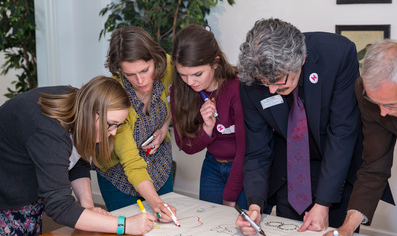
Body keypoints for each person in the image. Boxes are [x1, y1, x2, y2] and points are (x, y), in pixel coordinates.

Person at [235, 18, 367, 234]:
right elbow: (257, 150)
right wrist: (255, 205)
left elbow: (342, 133)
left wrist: (323, 203)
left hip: (338, 169)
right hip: (292, 172)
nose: (271, 90)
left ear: (301, 59)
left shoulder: (337, 54)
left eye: (278, 80)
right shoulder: (252, 79)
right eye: (265, 82)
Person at [0, 76, 156, 235]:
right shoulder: (49, 132)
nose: (113, 132)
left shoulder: (80, 104)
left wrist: (88, 206)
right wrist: (124, 225)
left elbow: (75, 161)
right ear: (92, 112)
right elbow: (59, 207)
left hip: (28, 191)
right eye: (110, 124)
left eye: (118, 125)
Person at [325, 28, 397, 236]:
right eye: (376, 103)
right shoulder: (370, 94)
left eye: (391, 105)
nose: (383, 113)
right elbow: (374, 166)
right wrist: (346, 228)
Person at [96, 26, 176, 219]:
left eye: (145, 70)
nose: (140, 80)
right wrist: (156, 202)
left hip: (159, 163)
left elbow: (178, 100)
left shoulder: (168, 66)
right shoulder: (117, 97)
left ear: (155, 60)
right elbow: (131, 162)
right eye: (130, 74)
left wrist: (165, 127)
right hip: (119, 174)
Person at [170, 25, 247, 209]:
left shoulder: (239, 88)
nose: (190, 82)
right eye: (183, 75)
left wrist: (229, 196)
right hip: (212, 166)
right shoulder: (180, 90)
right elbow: (185, 145)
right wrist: (206, 129)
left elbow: (247, 150)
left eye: (197, 74)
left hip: (245, 167)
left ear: (215, 63)